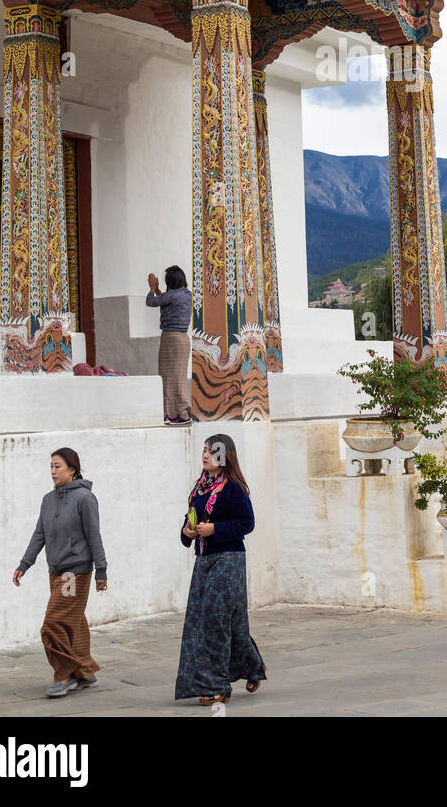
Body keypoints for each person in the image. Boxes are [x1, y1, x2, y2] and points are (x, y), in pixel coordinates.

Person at [174, 434, 267, 706]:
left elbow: (246, 523)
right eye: (204, 450)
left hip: (228, 559)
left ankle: (217, 685)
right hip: (203, 560)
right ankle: (251, 666)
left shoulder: (233, 488)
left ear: (224, 456)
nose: (205, 455)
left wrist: (216, 529)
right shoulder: (200, 489)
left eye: (212, 451)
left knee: (215, 620)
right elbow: (189, 522)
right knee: (220, 621)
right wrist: (187, 531)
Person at [12, 448, 107, 696]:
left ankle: (64, 675)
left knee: (53, 625)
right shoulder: (48, 500)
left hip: (75, 572)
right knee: (73, 624)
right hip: (56, 572)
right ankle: (85, 673)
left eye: (58, 466)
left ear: (72, 469)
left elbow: (93, 535)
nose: (53, 471)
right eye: (51, 466)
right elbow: (39, 535)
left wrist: (101, 570)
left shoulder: (85, 499)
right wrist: (24, 564)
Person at [146, 265, 192, 425]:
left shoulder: (172, 296)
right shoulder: (186, 295)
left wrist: (152, 289)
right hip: (182, 339)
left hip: (171, 339)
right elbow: (166, 300)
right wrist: (158, 289)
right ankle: (174, 413)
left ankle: (178, 414)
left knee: (170, 377)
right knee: (176, 376)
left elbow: (151, 302)